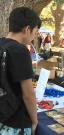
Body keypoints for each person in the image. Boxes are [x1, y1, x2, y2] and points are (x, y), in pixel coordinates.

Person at [0, 7, 41, 135]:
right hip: (15, 122)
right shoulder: (20, 50)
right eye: (35, 32)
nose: (34, 37)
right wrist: (34, 121)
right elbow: (28, 94)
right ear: (27, 29)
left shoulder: (1, 44)